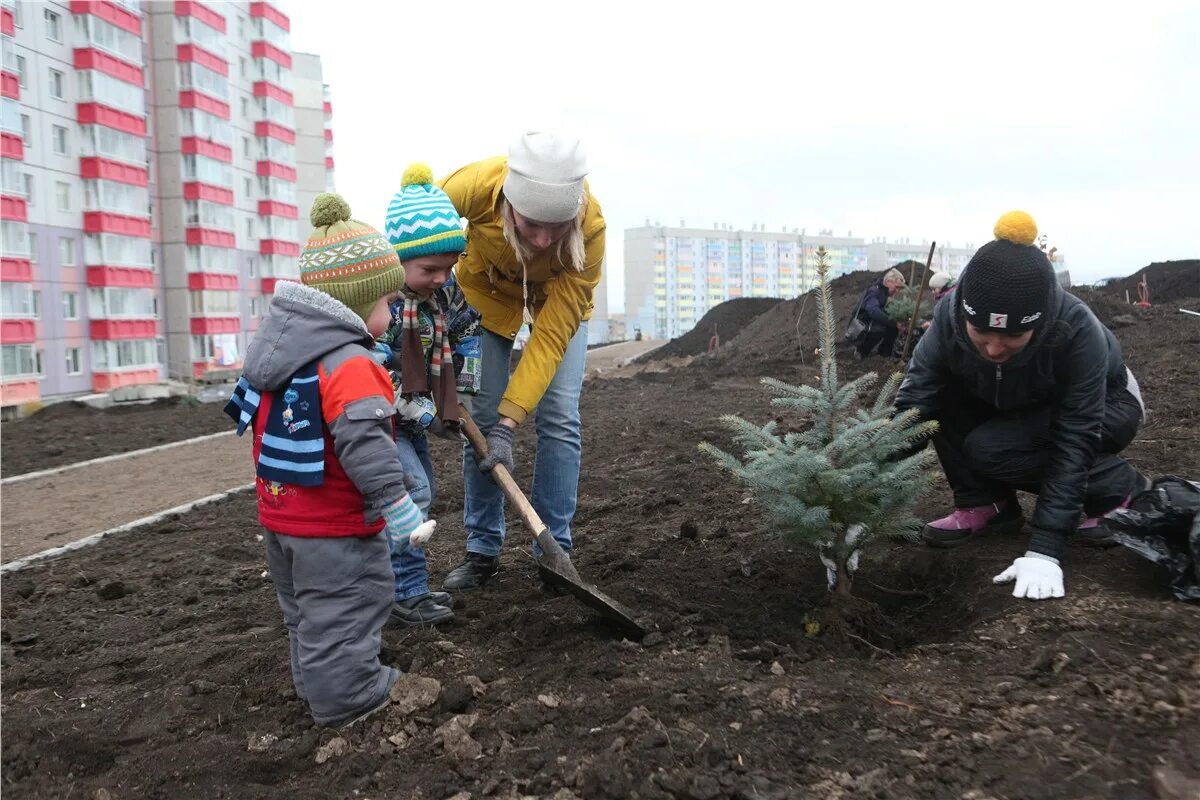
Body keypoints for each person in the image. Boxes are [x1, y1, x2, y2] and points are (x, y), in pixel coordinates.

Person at [225, 194, 434, 726]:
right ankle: (350, 698)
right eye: (388, 301)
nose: (391, 313)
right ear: (356, 303)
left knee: (306, 614)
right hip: (335, 525)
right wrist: (398, 507)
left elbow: (247, 414)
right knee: (350, 606)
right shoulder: (351, 363)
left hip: (281, 516)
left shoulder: (279, 353)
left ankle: (314, 685)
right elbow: (366, 446)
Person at [895, 211, 1147, 601]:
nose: (994, 349)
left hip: (1109, 406)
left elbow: (1075, 434)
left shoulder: (1076, 330)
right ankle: (987, 504)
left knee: (994, 448)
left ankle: (1122, 490)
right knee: (943, 401)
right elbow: (914, 406)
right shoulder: (948, 319)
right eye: (981, 333)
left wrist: (1046, 546)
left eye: (1014, 336)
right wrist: (864, 498)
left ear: (1040, 322)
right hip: (1018, 401)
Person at [437, 132, 605, 592]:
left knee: (559, 417)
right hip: (483, 300)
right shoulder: (471, 187)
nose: (543, 238)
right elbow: (415, 233)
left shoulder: (590, 230)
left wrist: (511, 426)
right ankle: (482, 550)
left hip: (555, 305)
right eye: (532, 224)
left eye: (557, 227)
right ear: (509, 205)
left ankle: (555, 553)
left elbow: (550, 339)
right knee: (481, 413)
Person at [374, 163, 482, 625]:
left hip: (410, 417)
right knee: (412, 490)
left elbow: (469, 331)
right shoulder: (384, 307)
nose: (442, 277)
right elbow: (370, 372)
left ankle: (387, 585)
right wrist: (425, 413)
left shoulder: (445, 292)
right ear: (398, 261)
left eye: (449, 267)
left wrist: (468, 389)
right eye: (429, 269)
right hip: (374, 419)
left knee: (425, 487)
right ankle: (406, 592)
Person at [852, 268, 907, 358]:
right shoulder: (874, 291)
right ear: (888, 282)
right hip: (862, 325)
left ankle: (885, 354)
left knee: (892, 327)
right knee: (881, 328)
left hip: (870, 322)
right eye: (897, 287)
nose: (897, 291)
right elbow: (873, 311)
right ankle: (861, 351)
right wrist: (894, 322)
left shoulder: (883, 293)